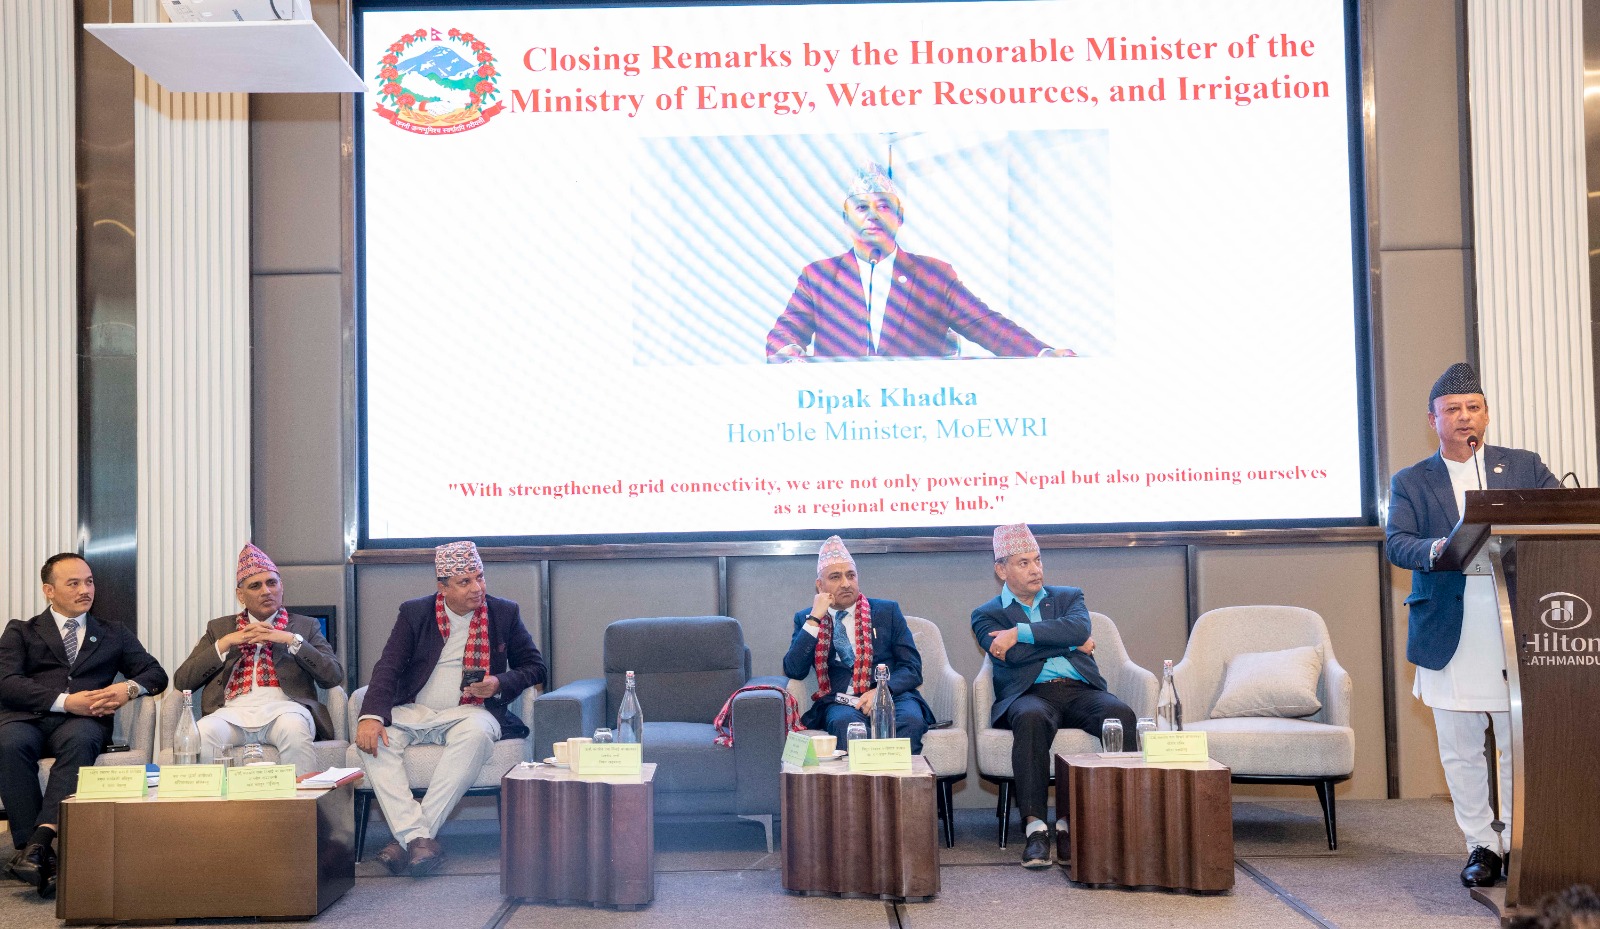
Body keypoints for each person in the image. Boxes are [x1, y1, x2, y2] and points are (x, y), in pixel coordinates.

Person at [1386, 361, 1559, 889]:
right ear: (1433, 420)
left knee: (1516, 743)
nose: (1464, 417)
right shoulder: (1412, 480)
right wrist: (1440, 546)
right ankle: (1481, 845)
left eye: (1473, 407)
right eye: (1453, 409)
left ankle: (1518, 840)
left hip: (1515, 623)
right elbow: (1398, 543)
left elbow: (1559, 514)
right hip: (1449, 626)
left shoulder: (1524, 466)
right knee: (1461, 748)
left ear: (1486, 415)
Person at [355, 541, 546, 877]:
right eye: (465, 582)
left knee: (476, 734)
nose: (477, 588)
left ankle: (406, 841)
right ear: (442, 587)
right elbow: (388, 667)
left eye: (480, 577)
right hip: (415, 711)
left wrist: (499, 682)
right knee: (374, 744)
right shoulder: (415, 613)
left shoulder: (504, 612)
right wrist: (370, 717)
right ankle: (419, 839)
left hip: (470, 713)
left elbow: (535, 667)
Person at [766, 163, 1076, 360]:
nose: (873, 215)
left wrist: (1041, 353)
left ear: (899, 218)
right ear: (846, 220)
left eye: (883, 207)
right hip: (843, 416)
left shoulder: (933, 275)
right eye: (861, 208)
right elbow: (786, 330)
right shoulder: (818, 276)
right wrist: (787, 351)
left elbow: (985, 324)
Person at [0, 553, 167, 898]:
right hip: (27, 718)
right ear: (49, 590)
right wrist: (64, 701)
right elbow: (7, 682)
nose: (85, 590)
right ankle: (33, 850)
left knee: (81, 740)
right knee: (9, 743)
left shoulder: (113, 633)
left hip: (83, 722)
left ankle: (37, 846)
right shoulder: (21, 631)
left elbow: (156, 674)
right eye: (73, 583)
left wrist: (127, 689)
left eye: (89, 582)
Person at [971, 523, 1135, 869]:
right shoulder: (985, 614)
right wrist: (1070, 644)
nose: (1035, 569)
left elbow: (1079, 628)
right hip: (1029, 694)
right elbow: (1013, 657)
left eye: (1038, 560)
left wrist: (1019, 632)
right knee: (1030, 718)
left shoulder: (1068, 596)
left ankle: (1111, 822)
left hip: (1079, 690)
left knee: (1120, 715)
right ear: (1001, 570)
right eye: (1023, 563)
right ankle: (1036, 830)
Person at [173, 543, 345, 776]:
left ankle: (301, 799)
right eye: (255, 586)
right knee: (202, 734)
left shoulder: (305, 626)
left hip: (285, 711)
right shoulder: (220, 628)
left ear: (281, 587)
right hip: (230, 713)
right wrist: (226, 642)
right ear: (240, 595)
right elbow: (183, 681)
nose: (266, 591)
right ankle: (213, 801)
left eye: (272, 583)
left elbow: (333, 675)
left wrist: (290, 640)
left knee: (294, 730)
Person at [781, 536, 934, 752]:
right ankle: (863, 776)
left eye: (850, 575)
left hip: (892, 696)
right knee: (845, 724)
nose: (845, 583)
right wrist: (815, 618)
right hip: (841, 701)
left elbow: (912, 668)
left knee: (910, 721)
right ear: (820, 585)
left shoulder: (886, 612)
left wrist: (881, 692)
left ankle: (895, 776)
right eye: (835, 577)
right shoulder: (807, 618)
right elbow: (794, 670)